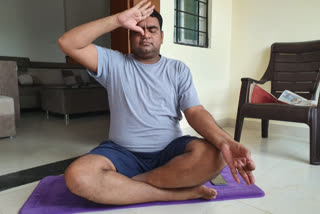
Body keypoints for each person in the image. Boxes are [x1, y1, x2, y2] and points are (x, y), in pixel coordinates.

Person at [58, 0, 255, 205]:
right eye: (137, 30)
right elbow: (68, 42)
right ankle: (174, 192)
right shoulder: (113, 63)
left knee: (216, 155)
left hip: (170, 153)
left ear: (161, 36)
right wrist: (117, 20)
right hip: (122, 152)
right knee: (78, 175)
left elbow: (195, 111)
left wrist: (225, 142)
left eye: (152, 29)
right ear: (130, 36)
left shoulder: (178, 69)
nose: (145, 34)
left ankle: (130, 185)